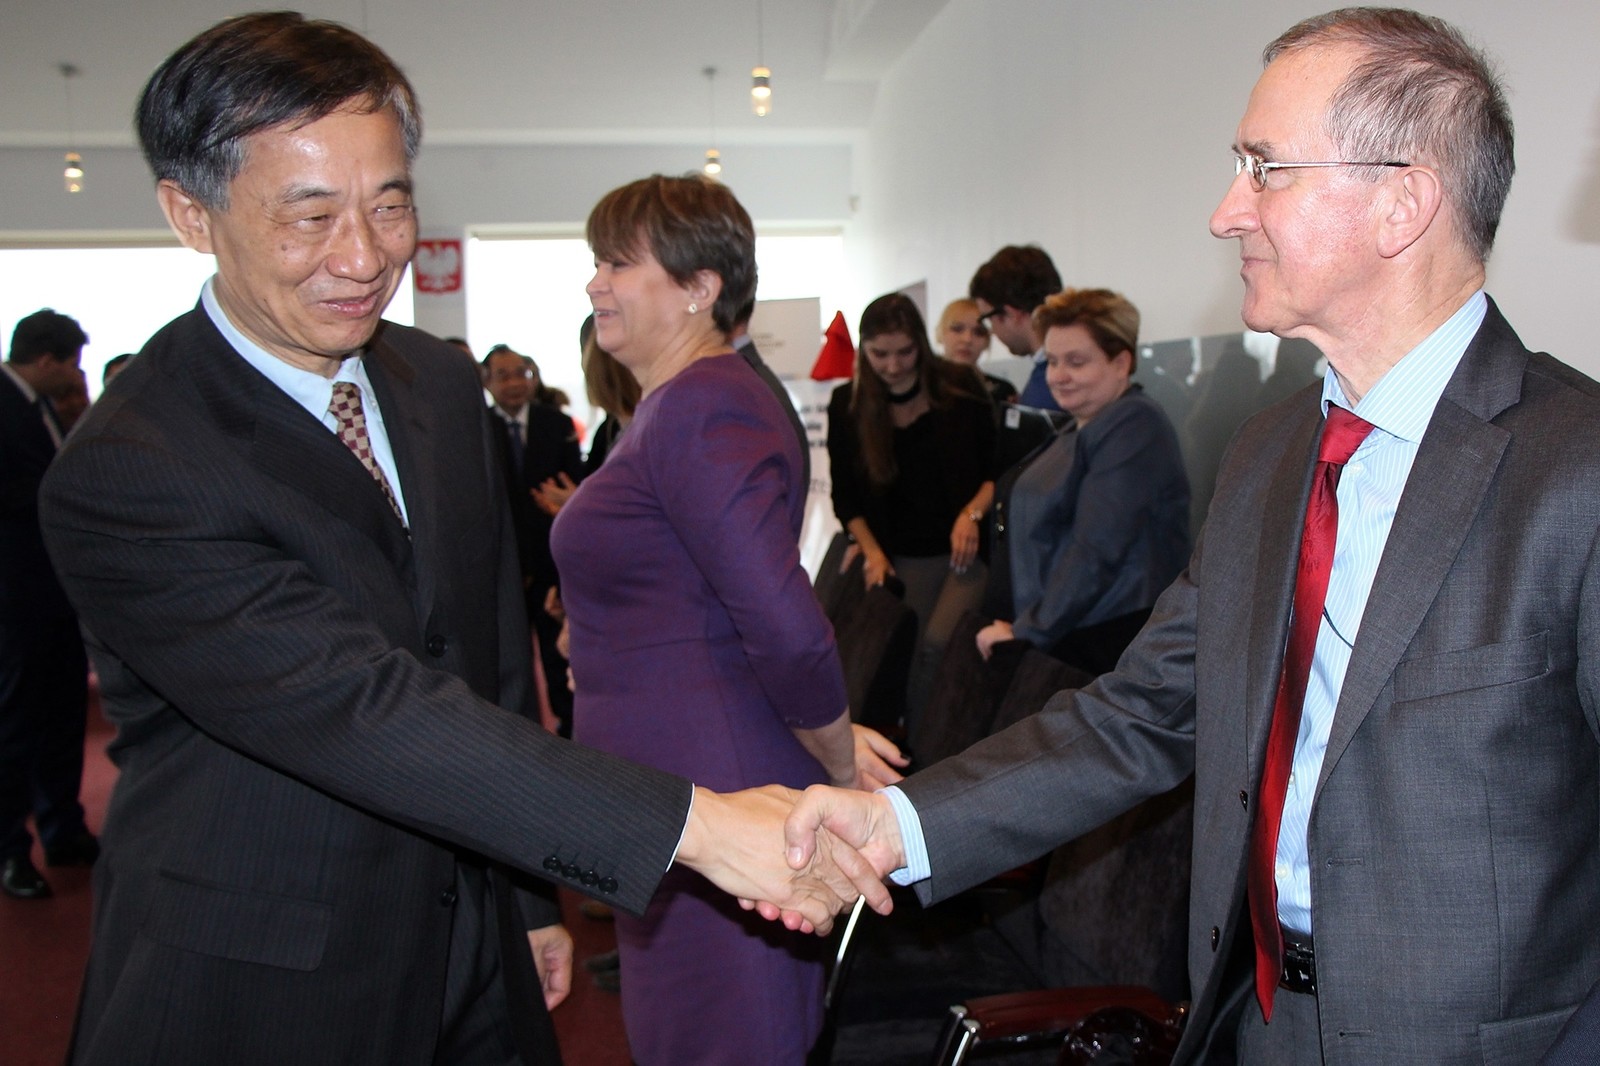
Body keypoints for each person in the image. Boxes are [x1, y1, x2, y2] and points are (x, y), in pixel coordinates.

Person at [36, 16, 886, 1066]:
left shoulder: (433, 382)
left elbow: (483, 656)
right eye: (311, 216)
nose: (364, 256)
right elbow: (361, 708)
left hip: (471, 933)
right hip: (272, 969)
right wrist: (699, 828)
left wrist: (528, 902)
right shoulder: (134, 463)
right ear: (190, 213)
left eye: (390, 205)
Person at [783, 8, 1600, 1062]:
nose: (1225, 213)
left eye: (1265, 169)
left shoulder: (1573, 470)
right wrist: (901, 825)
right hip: (1249, 1020)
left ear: (1402, 202)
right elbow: (1141, 713)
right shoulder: (1268, 456)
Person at [554, 173, 906, 1066]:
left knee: (727, 1041)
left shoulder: (704, 404)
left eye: (618, 263)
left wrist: (836, 762)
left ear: (699, 286)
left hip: (715, 782)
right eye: (596, 262)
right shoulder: (675, 405)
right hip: (669, 790)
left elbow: (783, 622)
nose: (596, 283)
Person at [976, 288, 1190, 676]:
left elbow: (1096, 549)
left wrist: (1029, 631)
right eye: (1052, 361)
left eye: (1076, 362)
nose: (1059, 376)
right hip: (1067, 629)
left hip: (1104, 643)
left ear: (1121, 362)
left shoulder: (1134, 426)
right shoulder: (1080, 426)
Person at [827, 292, 997, 735]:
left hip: (962, 553)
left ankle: (926, 751)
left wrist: (971, 515)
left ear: (921, 344)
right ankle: (904, 746)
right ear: (864, 350)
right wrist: (872, 552)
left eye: (904, 352)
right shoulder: (848, 403)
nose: (893, 365)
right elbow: (846, 498)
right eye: (879, 354)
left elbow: (998, 471)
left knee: (938, 645)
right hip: (901, 555)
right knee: (901, 652)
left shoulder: (960, 386)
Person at [0, 308, 97, 901]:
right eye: (72, 364)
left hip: (55, 595)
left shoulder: (44, 408)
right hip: (15, 598)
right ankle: (10, 850)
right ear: (46, 360)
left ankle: (64, 830)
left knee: (62, 716)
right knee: (14, 726)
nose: (76, 375)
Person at [483, 343, 585, 735]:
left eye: (521, 374)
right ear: (488, 382)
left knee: (558, 648)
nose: (514, 383)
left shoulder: (555, 423)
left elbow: (572, 486)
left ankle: (568, 726)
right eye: (503, 375)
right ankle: (517, 730)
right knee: (508, 652)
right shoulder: (476, 425)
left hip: (551, 559)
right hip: (501, 562)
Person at [968, 244, 1063, 412]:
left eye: (988, 319)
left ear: (1011, 314)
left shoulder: (1052, 384)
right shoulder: (1061, 374)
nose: (992, 331)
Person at [936, 297, 1016, 406]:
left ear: (987, 341)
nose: (967, 339)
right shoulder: (923, 386)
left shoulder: (1002, 392)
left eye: (979, 332)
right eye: (957, 329)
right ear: (940, 333)